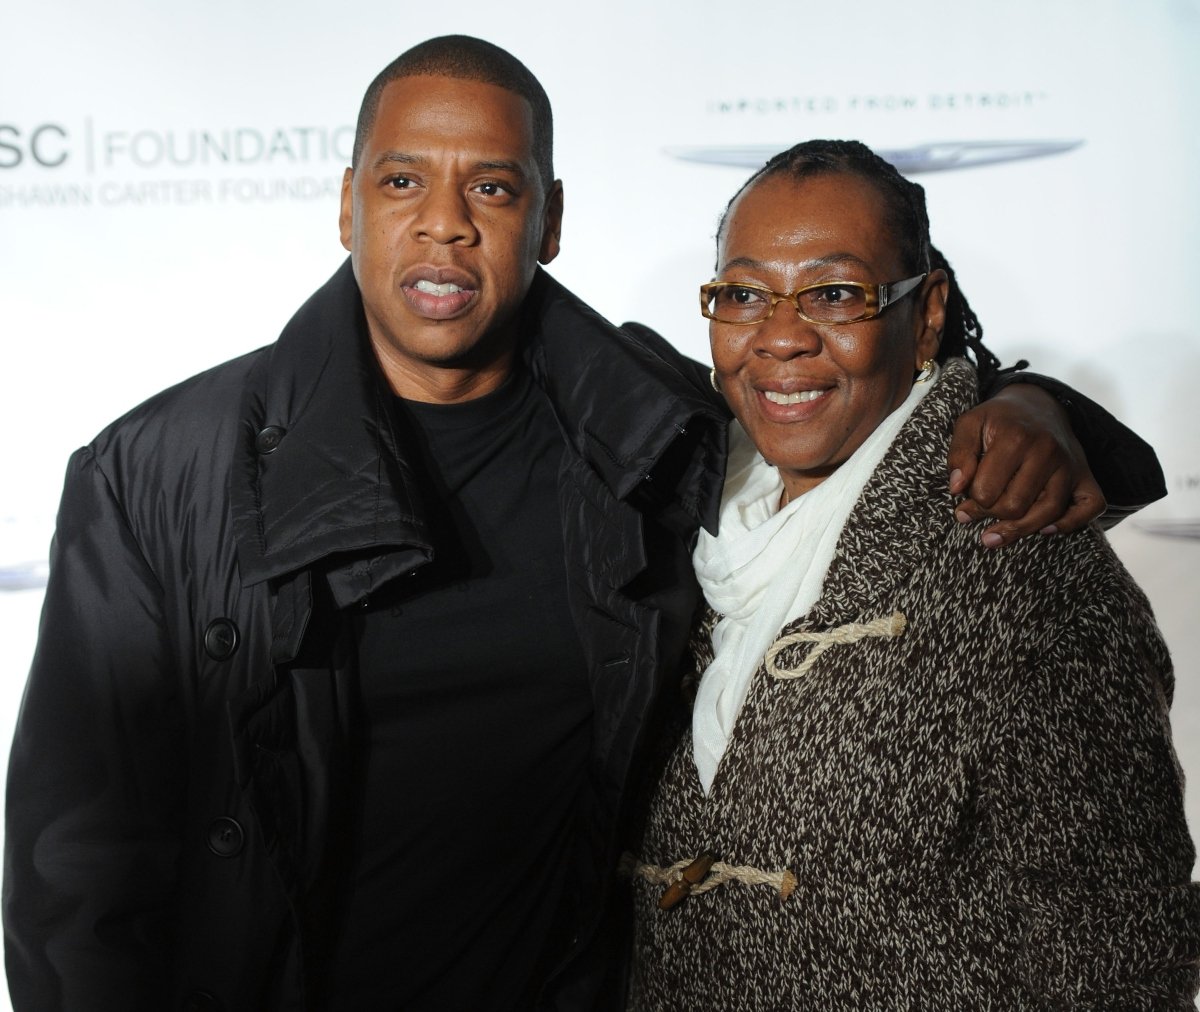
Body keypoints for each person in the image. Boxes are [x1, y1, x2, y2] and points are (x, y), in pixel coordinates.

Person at [0, 37, 1165, 1012]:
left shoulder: (647, 429)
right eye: (403, 182)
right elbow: (75, 876)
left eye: (493, 189)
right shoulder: (159, 472)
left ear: (549, 220)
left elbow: (838, 399)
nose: (446, 226)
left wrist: (1032, 407)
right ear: (346, 207)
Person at [626, 139, 1200, 1010]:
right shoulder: (675, 505)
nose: (781, 336)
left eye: (835, 293)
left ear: (926, 312)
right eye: (743, 294)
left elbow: (1119, 958)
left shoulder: (1026, 566)